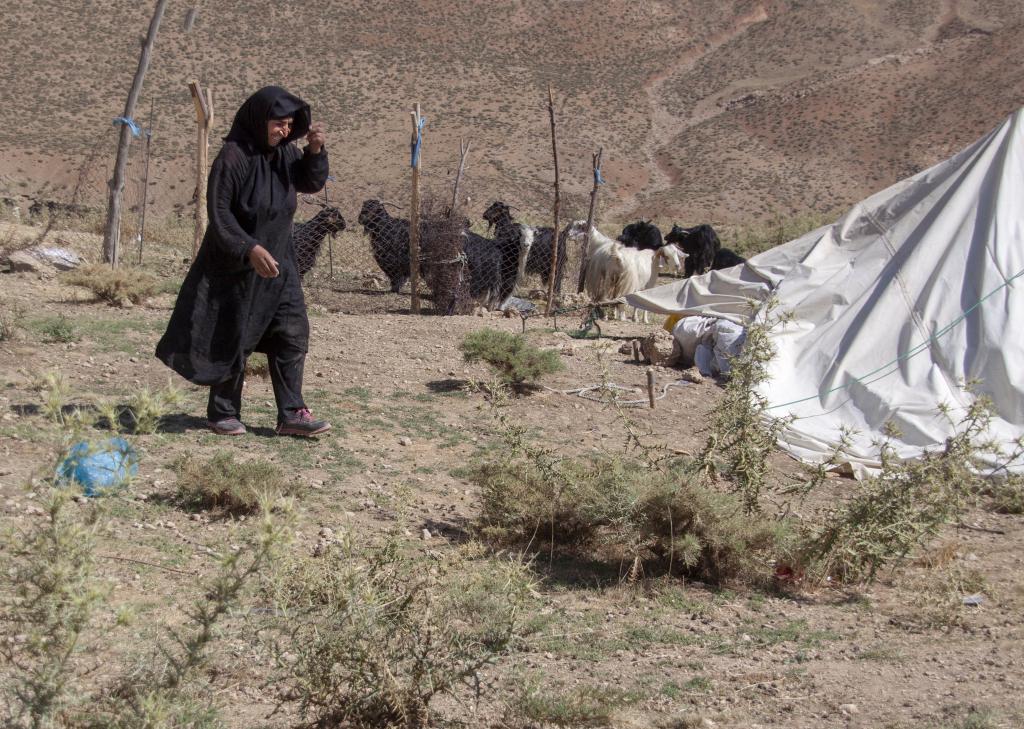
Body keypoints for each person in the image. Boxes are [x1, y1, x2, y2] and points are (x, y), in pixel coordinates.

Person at [156, 85, 331, 437]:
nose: (283, 131)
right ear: (259, 120)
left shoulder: (283, 155)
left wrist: (314, 151)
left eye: (289, 125)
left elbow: (310, 182)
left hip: (279, 265)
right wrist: (248, 248)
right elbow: (219, 214)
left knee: (292, 333)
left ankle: (292, 413)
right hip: (234, 268)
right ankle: (222, 412)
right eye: (278, 123)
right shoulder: (232, 158)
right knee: (234, 334)